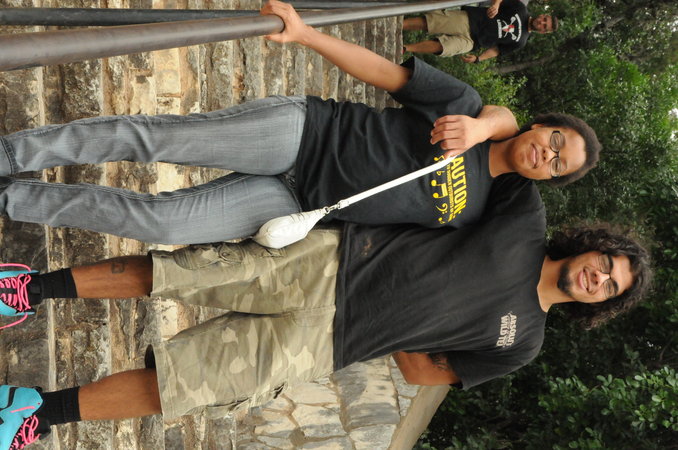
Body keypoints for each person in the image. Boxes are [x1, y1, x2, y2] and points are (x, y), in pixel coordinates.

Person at [0, 173, 651, 449]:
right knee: (175, 273)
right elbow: (494, 149)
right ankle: (30, 289)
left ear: (601, 305)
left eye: (609, 287)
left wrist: (396, 320)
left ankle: (37, 412)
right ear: (593, 246)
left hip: (326, 345)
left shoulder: (524, 342)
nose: (599, 277)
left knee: (182, 385)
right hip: (330, 261)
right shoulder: (524, 217)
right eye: (606, 263)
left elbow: (424, 372)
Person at [0, 1, 593, 245]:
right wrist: (307, 34)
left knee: (162, 223)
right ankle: (11, 156)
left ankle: (12, 200)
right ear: (542, 126)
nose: (548, 154)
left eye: (558, 164)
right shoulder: (466, 104)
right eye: (556, 140)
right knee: (153, 139)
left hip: (294, 204)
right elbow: (384, 73)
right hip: (304, 135)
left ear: (549, 179)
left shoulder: (478, 211)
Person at [403, 0, 557, 62]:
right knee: (432, 23)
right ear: (542, 15)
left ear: (543, 32)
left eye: (545, 26)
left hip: (473, 42)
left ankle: (406, 48)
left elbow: (496, 50)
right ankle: (401, 25)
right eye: (544, 19)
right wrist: (496, 5)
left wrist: (478, 59)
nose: (541, 23)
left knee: (443, 48)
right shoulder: (521, 9)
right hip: (471, 20)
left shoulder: (521, 41)